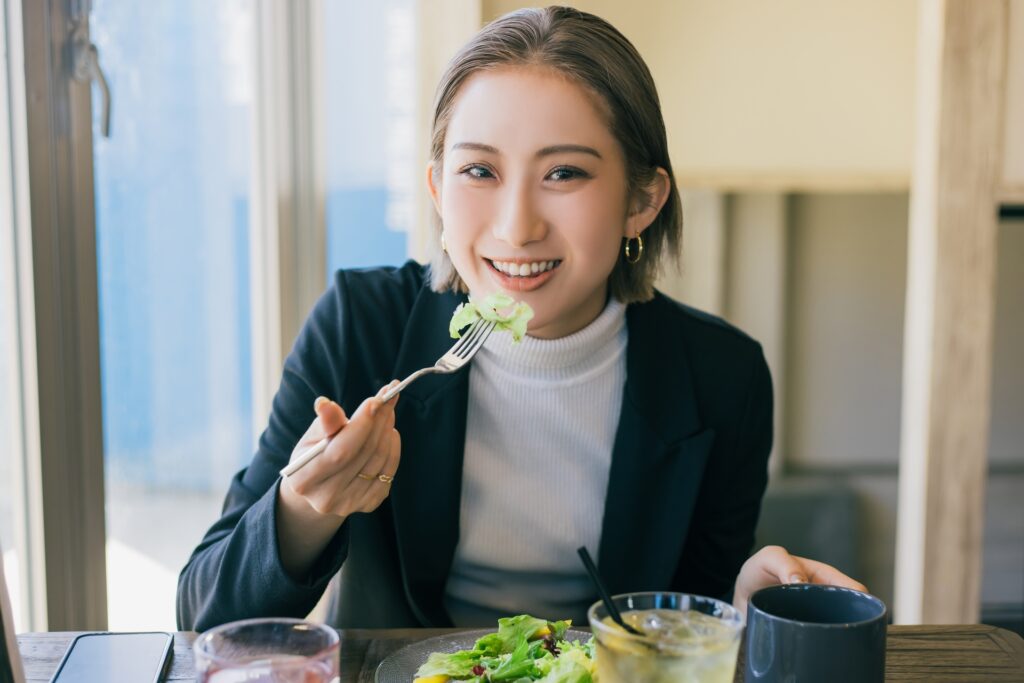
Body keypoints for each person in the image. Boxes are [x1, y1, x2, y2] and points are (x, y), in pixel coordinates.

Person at [177, 5, 864, 633]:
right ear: (438, 190)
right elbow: (202, 610)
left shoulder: (723, 376)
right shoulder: (364, 327)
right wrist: (303, 508)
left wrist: (743, 598)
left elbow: (687, 621)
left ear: (643, 199)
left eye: (564, 173)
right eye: (479, 172)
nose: (516, 226)